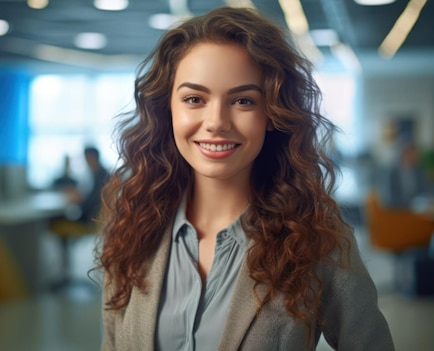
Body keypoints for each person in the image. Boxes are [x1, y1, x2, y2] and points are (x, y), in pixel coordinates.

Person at [96, 7, 394, 350]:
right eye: (194, 99)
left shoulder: (316, 236)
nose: (216, 121)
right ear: (169, 110)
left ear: (272, 113)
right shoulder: (133, 225)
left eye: (242, 100)